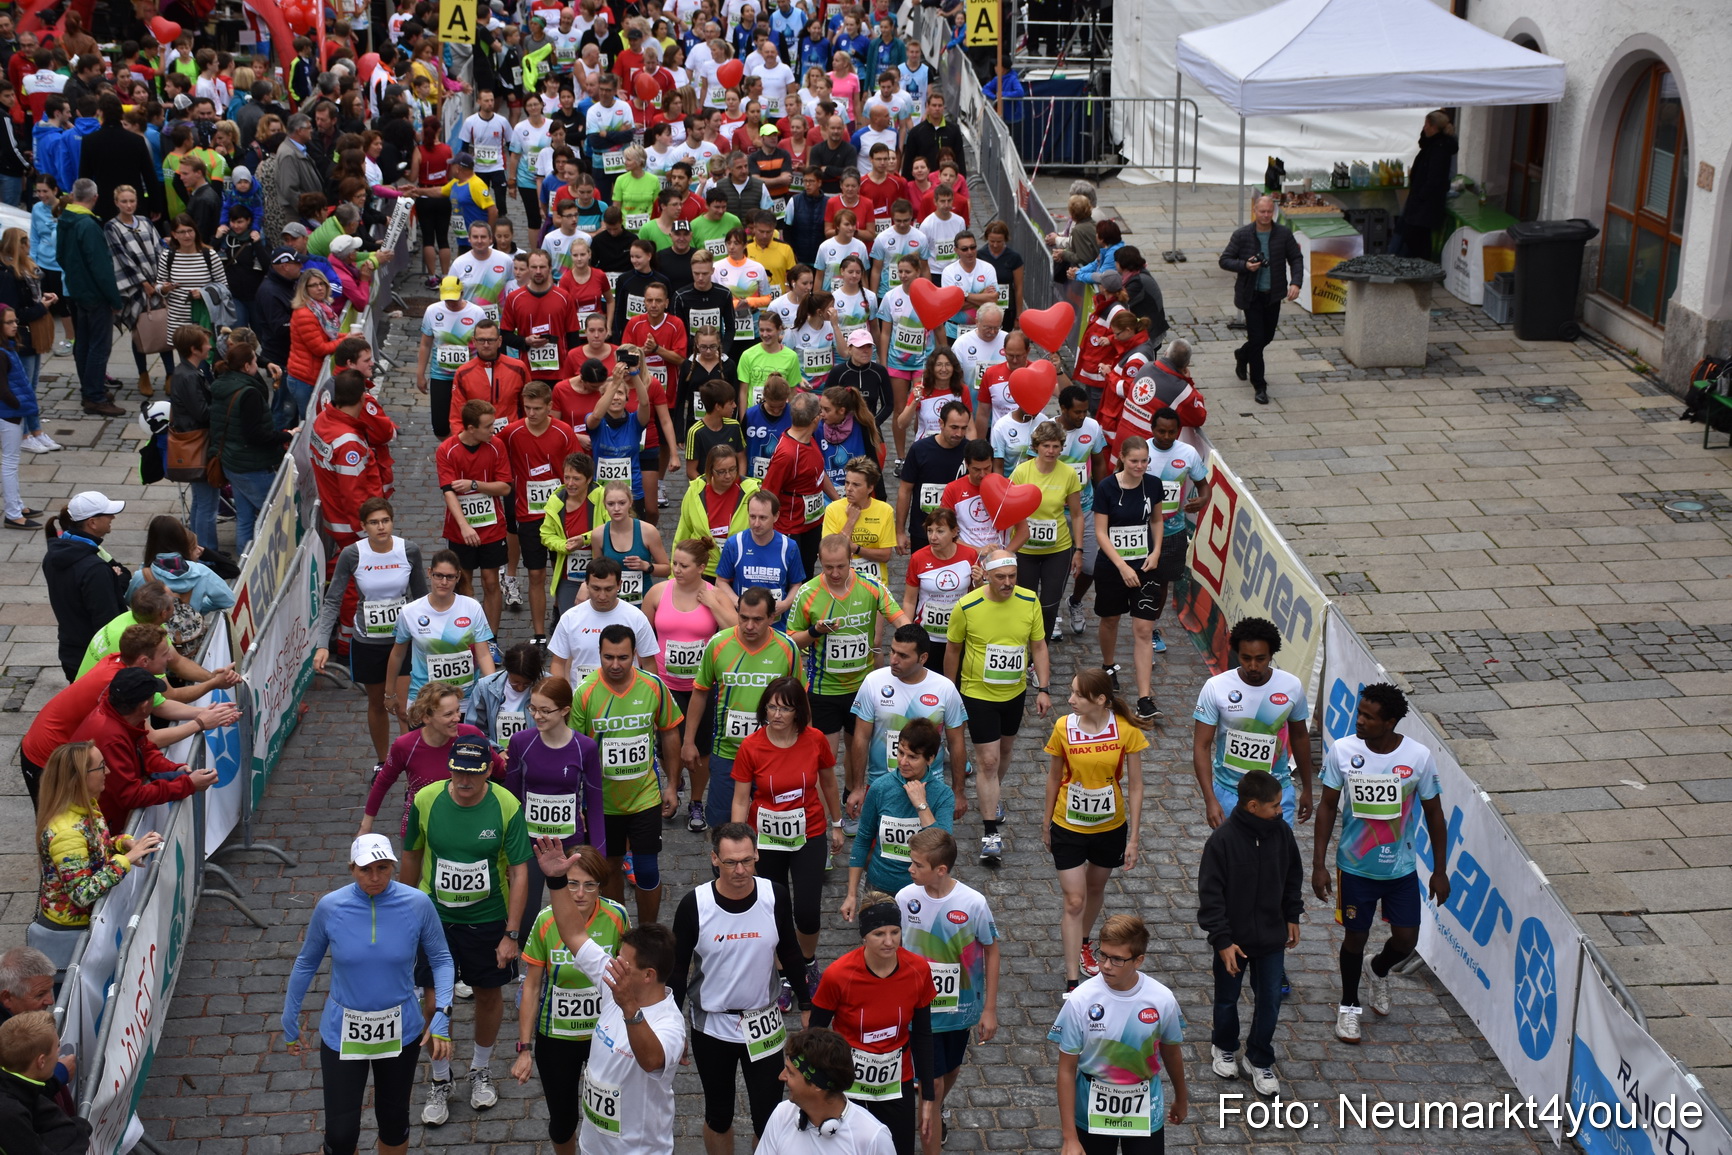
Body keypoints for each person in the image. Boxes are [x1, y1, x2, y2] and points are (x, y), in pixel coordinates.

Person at [283, 834, 455, 1155]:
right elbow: (306, 962)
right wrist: (289, 1017)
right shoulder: (330, 907)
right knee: (341, 1133)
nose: (375, 878)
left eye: (383, 868)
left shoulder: (417, 904)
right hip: (343, 1032)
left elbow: (442, 960)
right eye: (365, 870)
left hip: (400, 1030)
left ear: (393, 865)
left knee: (393, 1121)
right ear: (351, 869)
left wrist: (443, 1014)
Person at [400, 745, 532, 1127]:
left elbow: (520, 872)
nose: (464, 781)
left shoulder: (506, 805)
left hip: (487, 918)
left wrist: (511, 933)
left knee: (489, 995)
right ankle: (440, 1080)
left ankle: (480, 1069)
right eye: (458, 772)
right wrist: (404, 914)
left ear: (489, 770)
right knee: (432, 1002)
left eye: (474, 773)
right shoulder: (426, 799)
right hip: (434, 917)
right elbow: (411, 854)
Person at [1314, 683, 1450, 1046]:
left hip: (1400, 868)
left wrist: (1440, 870)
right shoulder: (1343, 751)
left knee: (1406, 940)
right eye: (1359, 713)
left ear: (1390, 722)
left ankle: (1378, 969)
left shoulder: (1418, 757)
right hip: (1355, 868)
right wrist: (1319, 864)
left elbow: (1435, 814)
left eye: (1369, 717)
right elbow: (1327, 807)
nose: (1359, 721)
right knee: (1354, 938)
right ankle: (1349, 1006)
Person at [533, 841, 687, 1155]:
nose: (612, 963)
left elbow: (652, 1060)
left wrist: (629, 1009)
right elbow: (575, 935)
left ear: (648, 975)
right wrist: (556, 881)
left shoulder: (669, 1024)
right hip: (592, 1146)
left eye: (622, 960)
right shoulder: (615, 981)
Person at [671, 823, 814, 1149]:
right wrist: (673, 1024)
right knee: (718, 1114)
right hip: (712, 1026)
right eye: (731, 862)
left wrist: (806, 1004)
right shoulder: (694, 905)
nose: (740, 870)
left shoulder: (773, 895)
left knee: (768, 1117)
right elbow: (677, 971)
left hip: (763, 1022)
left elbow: (790, 951)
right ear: (714, 859)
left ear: (757, 856)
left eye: (747, 861)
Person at [510, 843, 629, 1155]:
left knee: (608, 1114)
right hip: (557, 1038)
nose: (579, 893)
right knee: (562, 1121)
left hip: (603, 1036)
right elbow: (532, 987)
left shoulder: (617, 916)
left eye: (590, 885)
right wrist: (524, 1048)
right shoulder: (546, 921)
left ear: (600, 887)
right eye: (572, 883)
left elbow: (628, 978)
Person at [567, 623, 682, 923]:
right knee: (609, 868)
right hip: (601, 801)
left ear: (634, 654)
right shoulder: (585, 693)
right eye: (608, 657)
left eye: (622, 657)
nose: (615, 665)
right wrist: (574, 804)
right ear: (599, 654)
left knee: (647, 869)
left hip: (645, 797)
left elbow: (669, 734)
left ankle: (646, 932)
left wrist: (672, 786)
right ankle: (619, 929)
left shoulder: (653, 686)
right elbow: (574, 753)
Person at [729, 673, 840, 984]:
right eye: (771, 707)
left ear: (798, 713)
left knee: (807, 910)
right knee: (774, 908)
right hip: (765, 840)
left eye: (784, 709)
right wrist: (739, 843)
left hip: (809, 833)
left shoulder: (815, 739)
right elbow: (740, 799)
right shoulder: (751, 746)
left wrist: (838, 823)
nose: (776, 715)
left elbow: (829, 783)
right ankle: (782, 971)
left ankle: (807, 961)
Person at [1041, 669, 1148, 994]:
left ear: (1100, 700)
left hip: (1109, 828)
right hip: (1068, 825)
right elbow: (1053, 778)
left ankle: (1085, 941)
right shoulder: (1063, 727)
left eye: (1077, 695)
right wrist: (1046, 824)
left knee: (1095, 887)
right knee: (1074, 900)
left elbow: (1137, 786)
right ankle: (1073, 980)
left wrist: (1133, 839)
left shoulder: (1125, 730)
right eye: (1071, 692)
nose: (1070, 699)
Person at [1196, 768, 1300, 1095]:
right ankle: (1224, 1045)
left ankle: (1258, 1057)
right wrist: (1222, 941)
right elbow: (1210, 897)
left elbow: (1292, 875)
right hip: (1233, 941)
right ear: (1253, 806)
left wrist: (1292, 915)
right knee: (1227, 999)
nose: (1281, 811)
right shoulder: (1222, 841)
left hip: (1271, 939)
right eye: (1275, 805)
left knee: (1269, 999)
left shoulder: (1282, 833)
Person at [1048, 914, 1188, 1155]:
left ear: (1139, 960)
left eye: (1117, 959)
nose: (1105, 966)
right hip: (1091, 1111)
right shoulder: (1081, 999)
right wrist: (1069, 1136)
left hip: (1145, 1108)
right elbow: (1066, 1069)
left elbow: (1171, 1052)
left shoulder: (1162, 999)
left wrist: (1181, 1098)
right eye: (1102, 955)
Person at [945, 547, 1051, 863]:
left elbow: (1039, 646)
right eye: (1000, 577)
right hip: (978, 693)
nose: (1007, 582)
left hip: (1014, 692)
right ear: (986, 576)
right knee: (988, 761)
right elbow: (953, 650)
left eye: (1012, 576)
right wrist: (949, 691)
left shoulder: (1029, 601)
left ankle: (992, 793)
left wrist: (1043, 688)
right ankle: (990, 833)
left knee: (1004, 753)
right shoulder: (967, 606)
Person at [895, 828, 998, 1151]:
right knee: (934, 1084)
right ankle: (932, 1117)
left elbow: (992, 949)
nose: (909, 869)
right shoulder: (904, 898)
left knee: (951, 1069)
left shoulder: (973, 903)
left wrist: (990, 1009)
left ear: (940, 870)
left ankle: (934, 1105)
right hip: (918, 1012)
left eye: (917, 865)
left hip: (959, 1009)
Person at [810, 892, 937, 1155]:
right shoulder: (838, 975)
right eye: (879, 934)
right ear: (864, 936)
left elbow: (923, 1035)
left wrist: (927, 1098)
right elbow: (814, 1037)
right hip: (847, 1079)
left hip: (895, 1079)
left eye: (895, 932)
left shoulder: (918, 970)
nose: (889, 942)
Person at [314, 499, 427, 772]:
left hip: (404, 642)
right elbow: (332, 601)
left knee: (403, 707)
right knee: (377, 704)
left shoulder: (408, 550)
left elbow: (422, 597)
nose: (381, 527)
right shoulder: (352, 555)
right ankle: (382, 761)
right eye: (374, 522)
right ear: (363, 527)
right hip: (367, 642)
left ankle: (410, 762)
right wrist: (322, 645)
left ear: (392, 521)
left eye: (385, 520)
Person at [31, 740, 164, 966]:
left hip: (87, 925)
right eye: (101, 767)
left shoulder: (85, 805)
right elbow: (82, 893)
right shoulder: (67, 833)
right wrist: (126, 860)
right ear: (80, 777)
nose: (108, 771)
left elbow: (94, 850)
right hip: (72, 935)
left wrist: (123, 844)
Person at [643, 536, 737, 832]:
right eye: (674, 563)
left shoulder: (713, 594)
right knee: (667, 742)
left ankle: (696, 800)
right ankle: (671, 787)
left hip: (703, 686)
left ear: (701, 566)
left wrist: (711, 603)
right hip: (666, 684)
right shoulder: (658, 592)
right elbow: (643, 637)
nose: (677, 570)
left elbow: (737, 630)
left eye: (684, 565)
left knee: (700, 746)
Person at [1191, 616, 1313, 829]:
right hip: (1230, 793)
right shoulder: (1215, 687)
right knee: (1234, 861)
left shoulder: (1291, 686)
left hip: (1277, 793)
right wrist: (1210, 799)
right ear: (1237, 653)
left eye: (1261, 659)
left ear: (1272, 655)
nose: (1253, 666)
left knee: (1275, 861)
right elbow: (1201, 745)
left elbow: (1301, 736)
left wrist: (1308, 790)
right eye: (1246, 658)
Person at [73, 667, 218, 834]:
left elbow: (145, 750)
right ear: (144, 705)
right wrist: (188, 784)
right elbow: (131, 796)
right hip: (99, 823)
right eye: (153, 696)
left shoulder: (126, 717)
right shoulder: (111, 738)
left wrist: (173, 769)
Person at [846, 623, 967, 822]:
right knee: (875, 849)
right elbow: (860, 737)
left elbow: (957, 743)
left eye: (903, 656)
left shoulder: (944, 688)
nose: (893, 660)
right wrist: (858, 787)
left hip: (929, 786)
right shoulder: (873, 682)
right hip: (882, 783)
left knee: (928, 849)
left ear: (923, 658)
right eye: (893, 651)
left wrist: (958, 791)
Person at [1090, 437, 1165, 726]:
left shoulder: (1153, 484)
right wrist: (1121, 565)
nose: (1140, 466)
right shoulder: (1107, 487)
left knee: (1144, 629)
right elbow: (1100, 532)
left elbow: (1156, 520)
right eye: (1134, 460)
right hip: (1113, 566)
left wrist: (1156, 551)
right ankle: (1109, 667)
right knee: (1110, 620)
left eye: (1144, 461)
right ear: (1121, 458)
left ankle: (1144, 699)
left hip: (1146, 565)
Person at [363, 690, 499, 840]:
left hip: (466, 823)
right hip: (421, 826)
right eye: (448, 714)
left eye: (458, 710)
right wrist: (366, 826)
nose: (457, 718)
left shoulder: (471, 735)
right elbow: (383, 782)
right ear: (426, 717)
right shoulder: (405, 745)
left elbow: (500, 770)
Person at [385, 550, 498, 713]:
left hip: (464, 701)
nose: (444, 582)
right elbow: (397, 654)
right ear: (429, 573)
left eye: (450, 577)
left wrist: (491, 692)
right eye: (439, 575)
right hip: (425, 700)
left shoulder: (472, 607)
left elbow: (484, 655)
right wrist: (389, 693)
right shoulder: (410, 612)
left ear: (458, 577)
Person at [756, 1027, 897, 1155]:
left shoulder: (873, 1137)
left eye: (791, 1072)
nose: (782, 1076)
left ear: (817, 1084)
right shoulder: (782, 1114)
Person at [438, 398, 515, 632]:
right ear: (471, 428)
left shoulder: (496, 446)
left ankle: (490, 639)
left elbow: (505, 487)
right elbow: (449, 492)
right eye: (488, 426)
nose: (494, 430)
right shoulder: (447, 450)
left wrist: (474, 485)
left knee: (491, 582)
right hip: (460, 530)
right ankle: (469, 635)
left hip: (492, 528)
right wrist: (464, 527)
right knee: (464, 585)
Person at [209, 341, 293, 553]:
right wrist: (287, 435)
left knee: (245, 518)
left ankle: (244, 559)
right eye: (255, 361)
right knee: (275, 513)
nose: (258, 364)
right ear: (246, 366)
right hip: (251, 465)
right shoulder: (249, 394)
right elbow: (257, 434)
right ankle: (276, 558)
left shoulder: (222, 383)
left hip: (232, 461)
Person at [1218, 195, 1301, 405]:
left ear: (1273, 212)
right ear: (1255, 211)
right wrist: (1245, 266)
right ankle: (1260, 385)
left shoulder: (1282, 234)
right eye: (1262, 211)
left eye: (1269, 212)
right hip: (1251, 295)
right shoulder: (1243, 235)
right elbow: (1225, 260)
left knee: (1267, 337)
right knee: (1257, 339)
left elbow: (1295, 258)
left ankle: (1242, 355)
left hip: (1273, 294)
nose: (1265, 215)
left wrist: (1296, 282)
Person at [53, 178, 124, 416]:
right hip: (94, 295)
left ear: (73, 196)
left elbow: (60, 256)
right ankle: (94, 396)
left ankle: (89, 389)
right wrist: (114, 299)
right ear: (95, 198)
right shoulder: (88, 225)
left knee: (82, 342)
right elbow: (101, 268)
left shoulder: (66, 219)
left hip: (76, 291)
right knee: (98, 346)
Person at [1009, 420, 1084, 642]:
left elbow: (1077, 514)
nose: (1051, 451)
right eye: (1046, 446)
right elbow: (1010, 510)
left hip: (1057, 550)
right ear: (1036, 447)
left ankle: (1040, 656)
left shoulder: (1068, 474)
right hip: (1025, 551)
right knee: (1024, 606)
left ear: (1062, 447)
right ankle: (1023, 650)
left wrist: (1078, 550)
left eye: (1055, 446)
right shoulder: (1021, 472)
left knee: (1050, 607)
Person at [545, 557, 660, 687]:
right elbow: (558, 663)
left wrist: (651, 696)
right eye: (596, 588)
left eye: (608, 589)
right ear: (586, 584)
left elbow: (648, 662)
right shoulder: (570, 618)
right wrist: (562, 698)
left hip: (624, 698)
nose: (602, 596)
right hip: (582, 700)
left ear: (619, 585)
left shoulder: (636, 617)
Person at [0, 1010, 90, 1154]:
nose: (60, 1054)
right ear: (41, 1061)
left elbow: (65, 1127)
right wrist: (80, 1130)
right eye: (57, 1048)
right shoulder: (9, 1113)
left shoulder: (21, 1088)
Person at [541, 452, 599, 620]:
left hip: (600, 572)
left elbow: (611, 527)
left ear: (588, 479)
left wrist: (584, 539)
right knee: (570, 622)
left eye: (576, 479)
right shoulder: (556, 500)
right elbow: (546, 534)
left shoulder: (602, 497)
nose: (570, 483)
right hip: (569, 574)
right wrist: (563, 546)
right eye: (567, 477)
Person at [821, 456, 896, 587]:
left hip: (875, 585)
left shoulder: (885, 510)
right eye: (847, 482)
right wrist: (851, 520)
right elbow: (831, 551)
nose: (849, 488)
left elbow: (885, 555)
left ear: (870, 488)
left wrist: (856, 549)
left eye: (856, 484)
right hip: (841, 585)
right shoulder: (833, 509)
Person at [1395, 110, 1456, 260]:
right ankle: (1418, 269)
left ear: (1434, 127)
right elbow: (1423, 142)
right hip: (1422, 202)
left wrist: (1420, 196)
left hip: (1425, 204)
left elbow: (1434, 179)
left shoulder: (1439, 149)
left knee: (1417, 240)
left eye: (1426, 125)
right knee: (1416, 239)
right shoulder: (1433, 144)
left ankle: (1420, 270)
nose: (1424, 129)